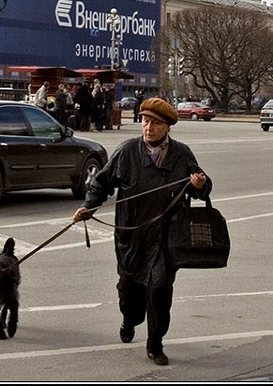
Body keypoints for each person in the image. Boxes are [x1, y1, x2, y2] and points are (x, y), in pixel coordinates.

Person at [75, 98, 210, 367]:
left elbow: (201, 189)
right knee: (130, 293)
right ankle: (129, 319)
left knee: (160, 292)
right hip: (132, 238)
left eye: (155, 123)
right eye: (145, 121)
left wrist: (200, 184)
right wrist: (88, 207)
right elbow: (101, 184)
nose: (148, 127)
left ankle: (155, 343)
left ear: (167, 127)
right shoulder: (126, 152)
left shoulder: (182, 155)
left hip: (166, 239)